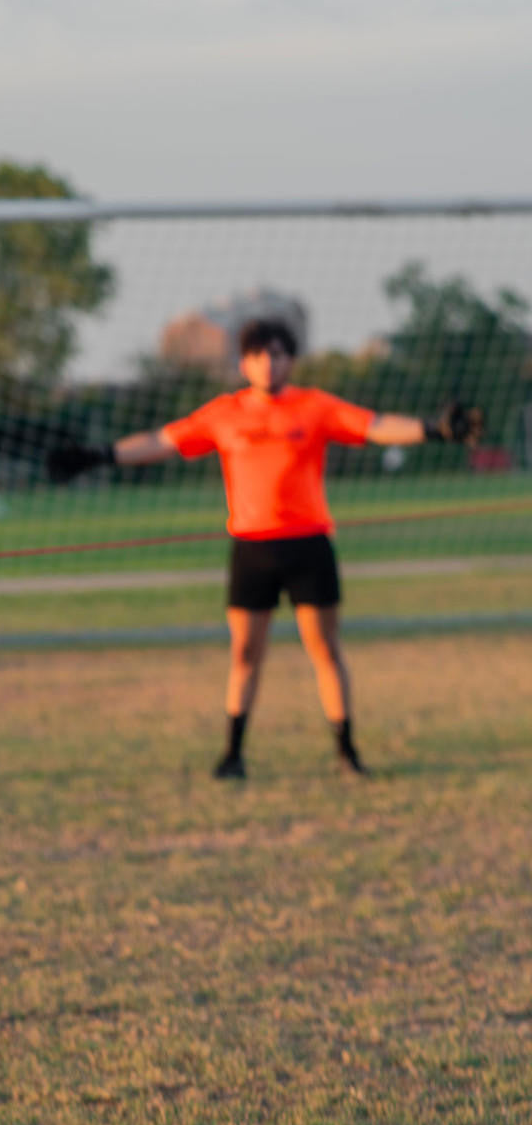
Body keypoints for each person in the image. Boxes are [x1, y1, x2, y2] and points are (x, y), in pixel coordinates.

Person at [48, 317, 483, 781]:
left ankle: (346, 752)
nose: (267, 363)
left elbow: (374, 425)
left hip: (309, 546)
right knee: (245, 654)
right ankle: (233, 755)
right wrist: (100, 455)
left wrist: (433, 429)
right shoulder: (224, 413)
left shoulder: (314, 406)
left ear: (290, 360)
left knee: (325, 650)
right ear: (243, 363)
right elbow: (163, 441)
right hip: (252, 550)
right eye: (257, 355)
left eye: (276, 354)